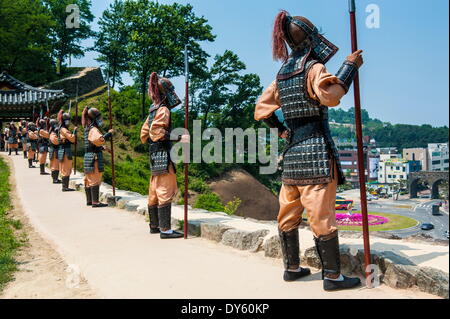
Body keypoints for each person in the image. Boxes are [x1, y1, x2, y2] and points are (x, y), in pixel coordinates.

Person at [254, 11, 364, 291]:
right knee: (321, 217)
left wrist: (281, 129)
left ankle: (291, 268)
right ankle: (333, 277)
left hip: (291, 157)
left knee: (288, 215)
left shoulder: (282, 74)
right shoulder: (312, 67)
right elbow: (331, 96)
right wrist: (349, 67)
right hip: (315, 151)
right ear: (312, 38)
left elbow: (261, 109)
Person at [140, 72, 188, 239]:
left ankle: (154, 226)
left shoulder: (152, 110)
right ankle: (165, 230)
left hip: (154, 155)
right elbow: (156, 132)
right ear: (167, 92)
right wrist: (179, 137)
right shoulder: (163, 109)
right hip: (163, 154)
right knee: (165, 191)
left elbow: (143, 134)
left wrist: (155, 145)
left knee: (154, 191)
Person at [81, 106, 114, 208]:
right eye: (99, 118)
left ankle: (90, 200)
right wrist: (109, 134)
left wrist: (104, 148)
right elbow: (99, 140)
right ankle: (95, 202)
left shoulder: (87, 128)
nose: (100, 120)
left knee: (88, 179)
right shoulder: (93, 129)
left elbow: (93, 144)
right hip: (94, 158)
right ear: (94, 118)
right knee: (95, 179)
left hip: (88, 156)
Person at [57, 110, 77, 192]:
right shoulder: (63, 129)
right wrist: (75, 132)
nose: (68, 121)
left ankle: (65, 186)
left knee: (66, 168)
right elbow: (72, 138)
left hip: (64, 150)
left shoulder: (62, 128)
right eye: (67, 120)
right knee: (66, 169)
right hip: (65, 150)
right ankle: (65, 187)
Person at [48, 119, 62, 184]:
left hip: (55, 150)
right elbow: (56, 141)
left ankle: (56, 178)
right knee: (55, 166)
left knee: (56, 165)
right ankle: (55, 179)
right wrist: (61, 140)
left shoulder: (54, 132)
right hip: (54, 150)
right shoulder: (52, 133)